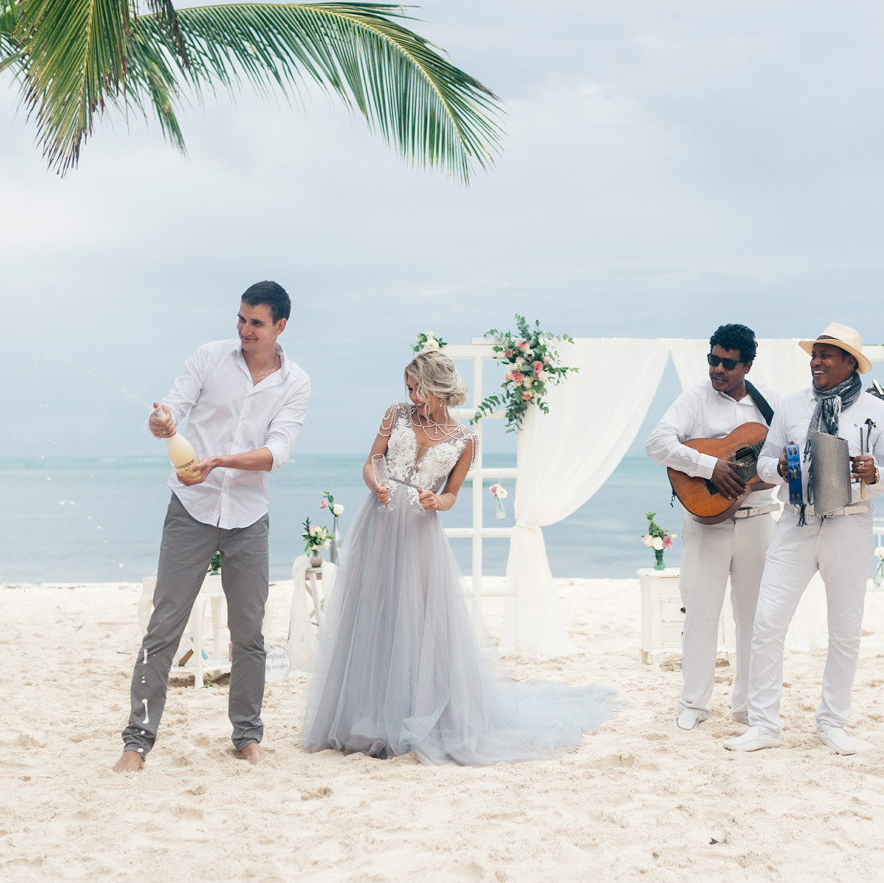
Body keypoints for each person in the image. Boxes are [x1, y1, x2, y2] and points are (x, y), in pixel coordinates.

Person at [301, 350, 620, 765]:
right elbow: (371, 461)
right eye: (408, 387)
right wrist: (378, 483)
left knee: (415, 619)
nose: (411, 395)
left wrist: (437, 501)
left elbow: (452, 494)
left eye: (418, 388)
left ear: (437, 388)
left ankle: (412, 716)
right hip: (377, 522)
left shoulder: (465, 438)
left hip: (419, 531)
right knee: (372, 615)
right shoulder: (395, 413)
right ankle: (364, 718)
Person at [113, 281, 311, 772]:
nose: (244, 329)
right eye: (241, 319)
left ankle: (246, 735)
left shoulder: (296, 384)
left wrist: (220, 460)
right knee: (164, 626)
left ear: (280, 327)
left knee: (249, 634)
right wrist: (162, 423)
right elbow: (174, 407)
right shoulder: (208, 357)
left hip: (248, 517)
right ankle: (136, 743)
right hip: (191, 507)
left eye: (256, 323)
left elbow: (278, 453)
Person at [726, 322, 884, 756]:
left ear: (850, 363)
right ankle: (765, 725)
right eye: (815, 353)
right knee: (767, 622)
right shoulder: (790, 405)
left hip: (850, 523)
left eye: (827, 354)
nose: (816, 361)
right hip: (795, 522)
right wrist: (776, 471)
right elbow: (765, 461)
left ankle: (832, 723)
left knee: (844, 629)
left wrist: (876, 476)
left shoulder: (877, 412)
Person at [645, 324, 779, 731]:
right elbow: (657, 443)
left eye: (728, 363)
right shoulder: (695, 399)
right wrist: (710, 466)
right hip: (707, 523)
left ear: (748, 365)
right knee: (701, 613)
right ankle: (693, 705)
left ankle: (747, 706)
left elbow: (784, 454)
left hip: (758, 520)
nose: (718, 369)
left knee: (754, 618)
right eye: (713, 359)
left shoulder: (769, 402)